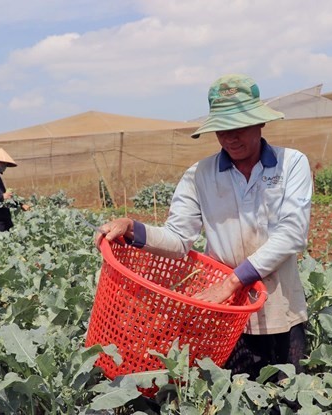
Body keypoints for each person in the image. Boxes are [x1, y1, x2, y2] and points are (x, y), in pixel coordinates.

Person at [96, 74, 312, 379]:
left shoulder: (291, 163)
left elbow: (292, 234)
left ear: (260, 123)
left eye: (239, 128)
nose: (230, 138)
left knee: (288, 398)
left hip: (281, 307)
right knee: (233, 399)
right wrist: (132, 228)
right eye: (222, 130)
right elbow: (178, 238)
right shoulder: (200, 174)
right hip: (226, 316)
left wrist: (231, 282)